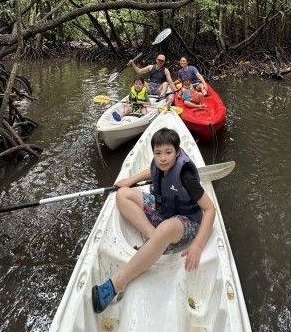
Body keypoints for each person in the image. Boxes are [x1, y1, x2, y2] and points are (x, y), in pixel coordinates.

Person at [91, 127, 216, 313]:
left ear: (177, 151)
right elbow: (151, 170)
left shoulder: (186, 175)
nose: (163, 158)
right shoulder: (158, 163)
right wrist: (129, 181)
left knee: (165, 229)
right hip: (164, 210)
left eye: (168, 152)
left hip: (186, 222)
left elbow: (209, 209)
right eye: (158, 153)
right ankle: (153, 236)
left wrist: (197, 245)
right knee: (122, 195)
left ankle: (116, 284)